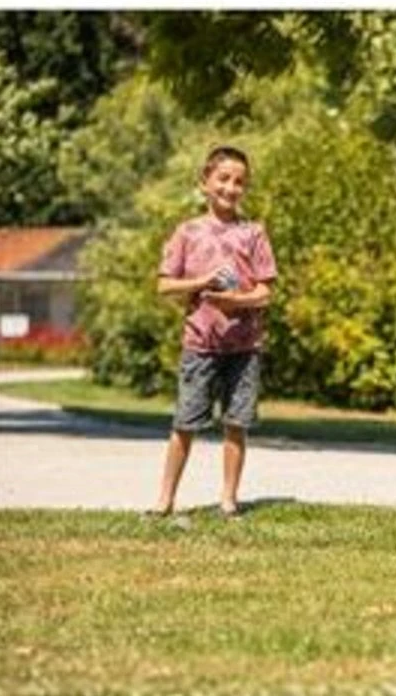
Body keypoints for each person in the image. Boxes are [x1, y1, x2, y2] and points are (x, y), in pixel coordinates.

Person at [150, 144, 278, 518]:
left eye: (240, 182)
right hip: (200, 345)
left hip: (244, 346)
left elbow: (266, 291)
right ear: (204, 183)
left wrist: (236, 302)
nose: (230, 187)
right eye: (223, 179)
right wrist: (202, 281)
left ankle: (228, 499)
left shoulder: (253, 233)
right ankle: (164, 500)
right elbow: (163, 286)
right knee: (185, 423)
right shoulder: (187, 232)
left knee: (236, 424)